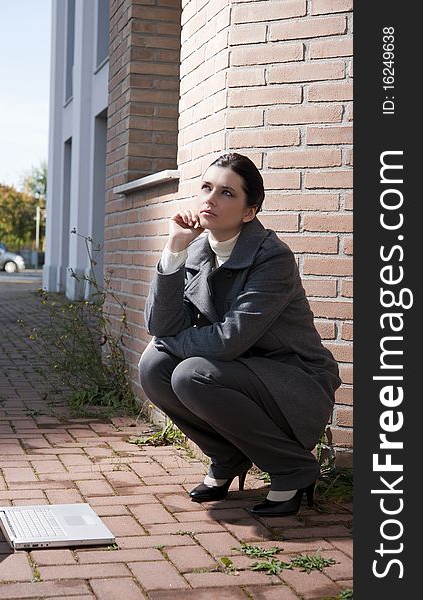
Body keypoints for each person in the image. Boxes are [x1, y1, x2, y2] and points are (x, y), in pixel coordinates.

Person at [138, 152, 342, 517]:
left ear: (250, 212)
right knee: (154, 365)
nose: (210, 199)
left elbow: (229, 340)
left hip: (290, 381)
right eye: (206, 187)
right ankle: (226, 456)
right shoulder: (198, 249)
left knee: (190, 373)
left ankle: (293, 467)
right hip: (235, 373)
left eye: (227, 193)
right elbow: (161, 325)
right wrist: (173, 249)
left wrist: (170, 340)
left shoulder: (272, 257)